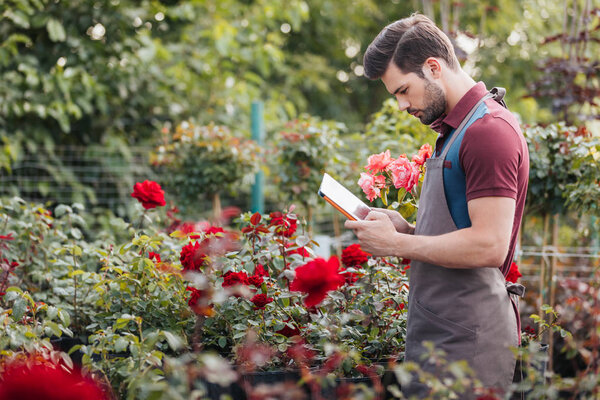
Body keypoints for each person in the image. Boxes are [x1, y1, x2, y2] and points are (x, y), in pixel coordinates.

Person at [345, 13, 529, 397]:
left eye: (402, 91)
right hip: (444, 330)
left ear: (433, 68)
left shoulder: (487, 132)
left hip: (470, 341)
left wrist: (398, 245)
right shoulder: (456, 130)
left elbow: (489, 244)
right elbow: (460, 230)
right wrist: (407, 229)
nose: (400, 105)